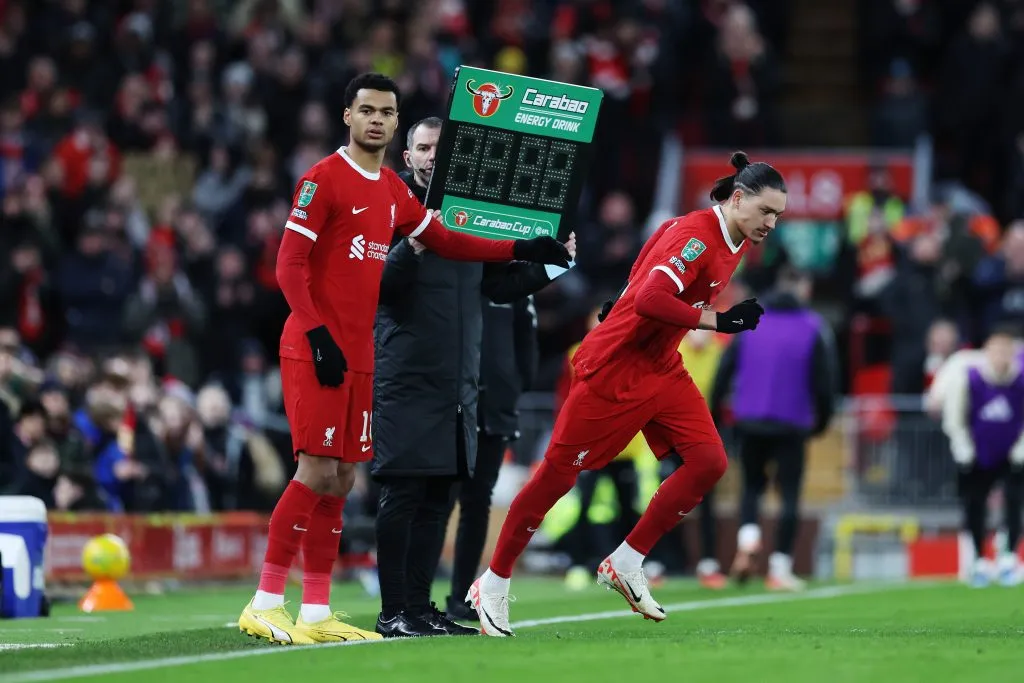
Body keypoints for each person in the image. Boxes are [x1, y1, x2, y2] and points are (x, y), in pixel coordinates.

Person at [236, 73, 571, 646]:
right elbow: (289, 265)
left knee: (341, 479)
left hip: (360, 353)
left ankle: (316, 611)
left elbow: (445, 238)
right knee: (314, 469)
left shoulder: (391, 189)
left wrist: (520, 247)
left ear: (395, 121)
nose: (376, 120)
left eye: (386, 113)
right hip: (316, 347)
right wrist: (317, 336)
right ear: (347, 116)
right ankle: (266, 601)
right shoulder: (322, 180)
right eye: (366, 110)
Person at [468, 152, 787, 636]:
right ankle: (491, 583)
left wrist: (623, 293)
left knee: (709, 463)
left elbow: (647, 256)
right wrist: (717, 320)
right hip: (615, 367)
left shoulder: (732, 234)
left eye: (778, 215)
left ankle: (627, 560)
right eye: (766, 211)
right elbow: (652, 299)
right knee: (556, 478)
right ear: (738, 198)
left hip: (661, 365)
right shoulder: (697, 236)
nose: (771, 222)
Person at [372, 116, 567, 637]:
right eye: (424, 147)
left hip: (460, 383)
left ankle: (419, 606)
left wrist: (553, 262)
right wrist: (413, 241)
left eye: (441, 147)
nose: (433, 155)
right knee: (403, 495)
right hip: (407, 376)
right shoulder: (391, 210)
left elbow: (500, 288)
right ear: (408, 156)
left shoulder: (471, 217)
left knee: (438, 498)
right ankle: (392, 611)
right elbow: (380, 289)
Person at [710, 266, 838, 590]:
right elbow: (825, 384)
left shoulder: (751, 321)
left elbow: (723, 373)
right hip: (791, 423)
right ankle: (779, 567)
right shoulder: (813, 327)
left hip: (749, 419)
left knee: (751, 488)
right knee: (790, 493)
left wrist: (714, 415)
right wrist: (821, 423)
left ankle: (748, 540)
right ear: (803, 288)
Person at [941, 324, 1024, 587]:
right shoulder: (970, 378)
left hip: (1012, 454)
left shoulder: (1021, 381)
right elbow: (954, 417)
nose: (1000, 357)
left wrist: (1021, 450)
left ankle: (1009, 556)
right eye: (995, 351)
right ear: (986, 352)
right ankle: (977, 557)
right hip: (978, 453)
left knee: (1014, 502)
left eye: (1005, 351)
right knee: (974, 504)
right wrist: (964, 450)